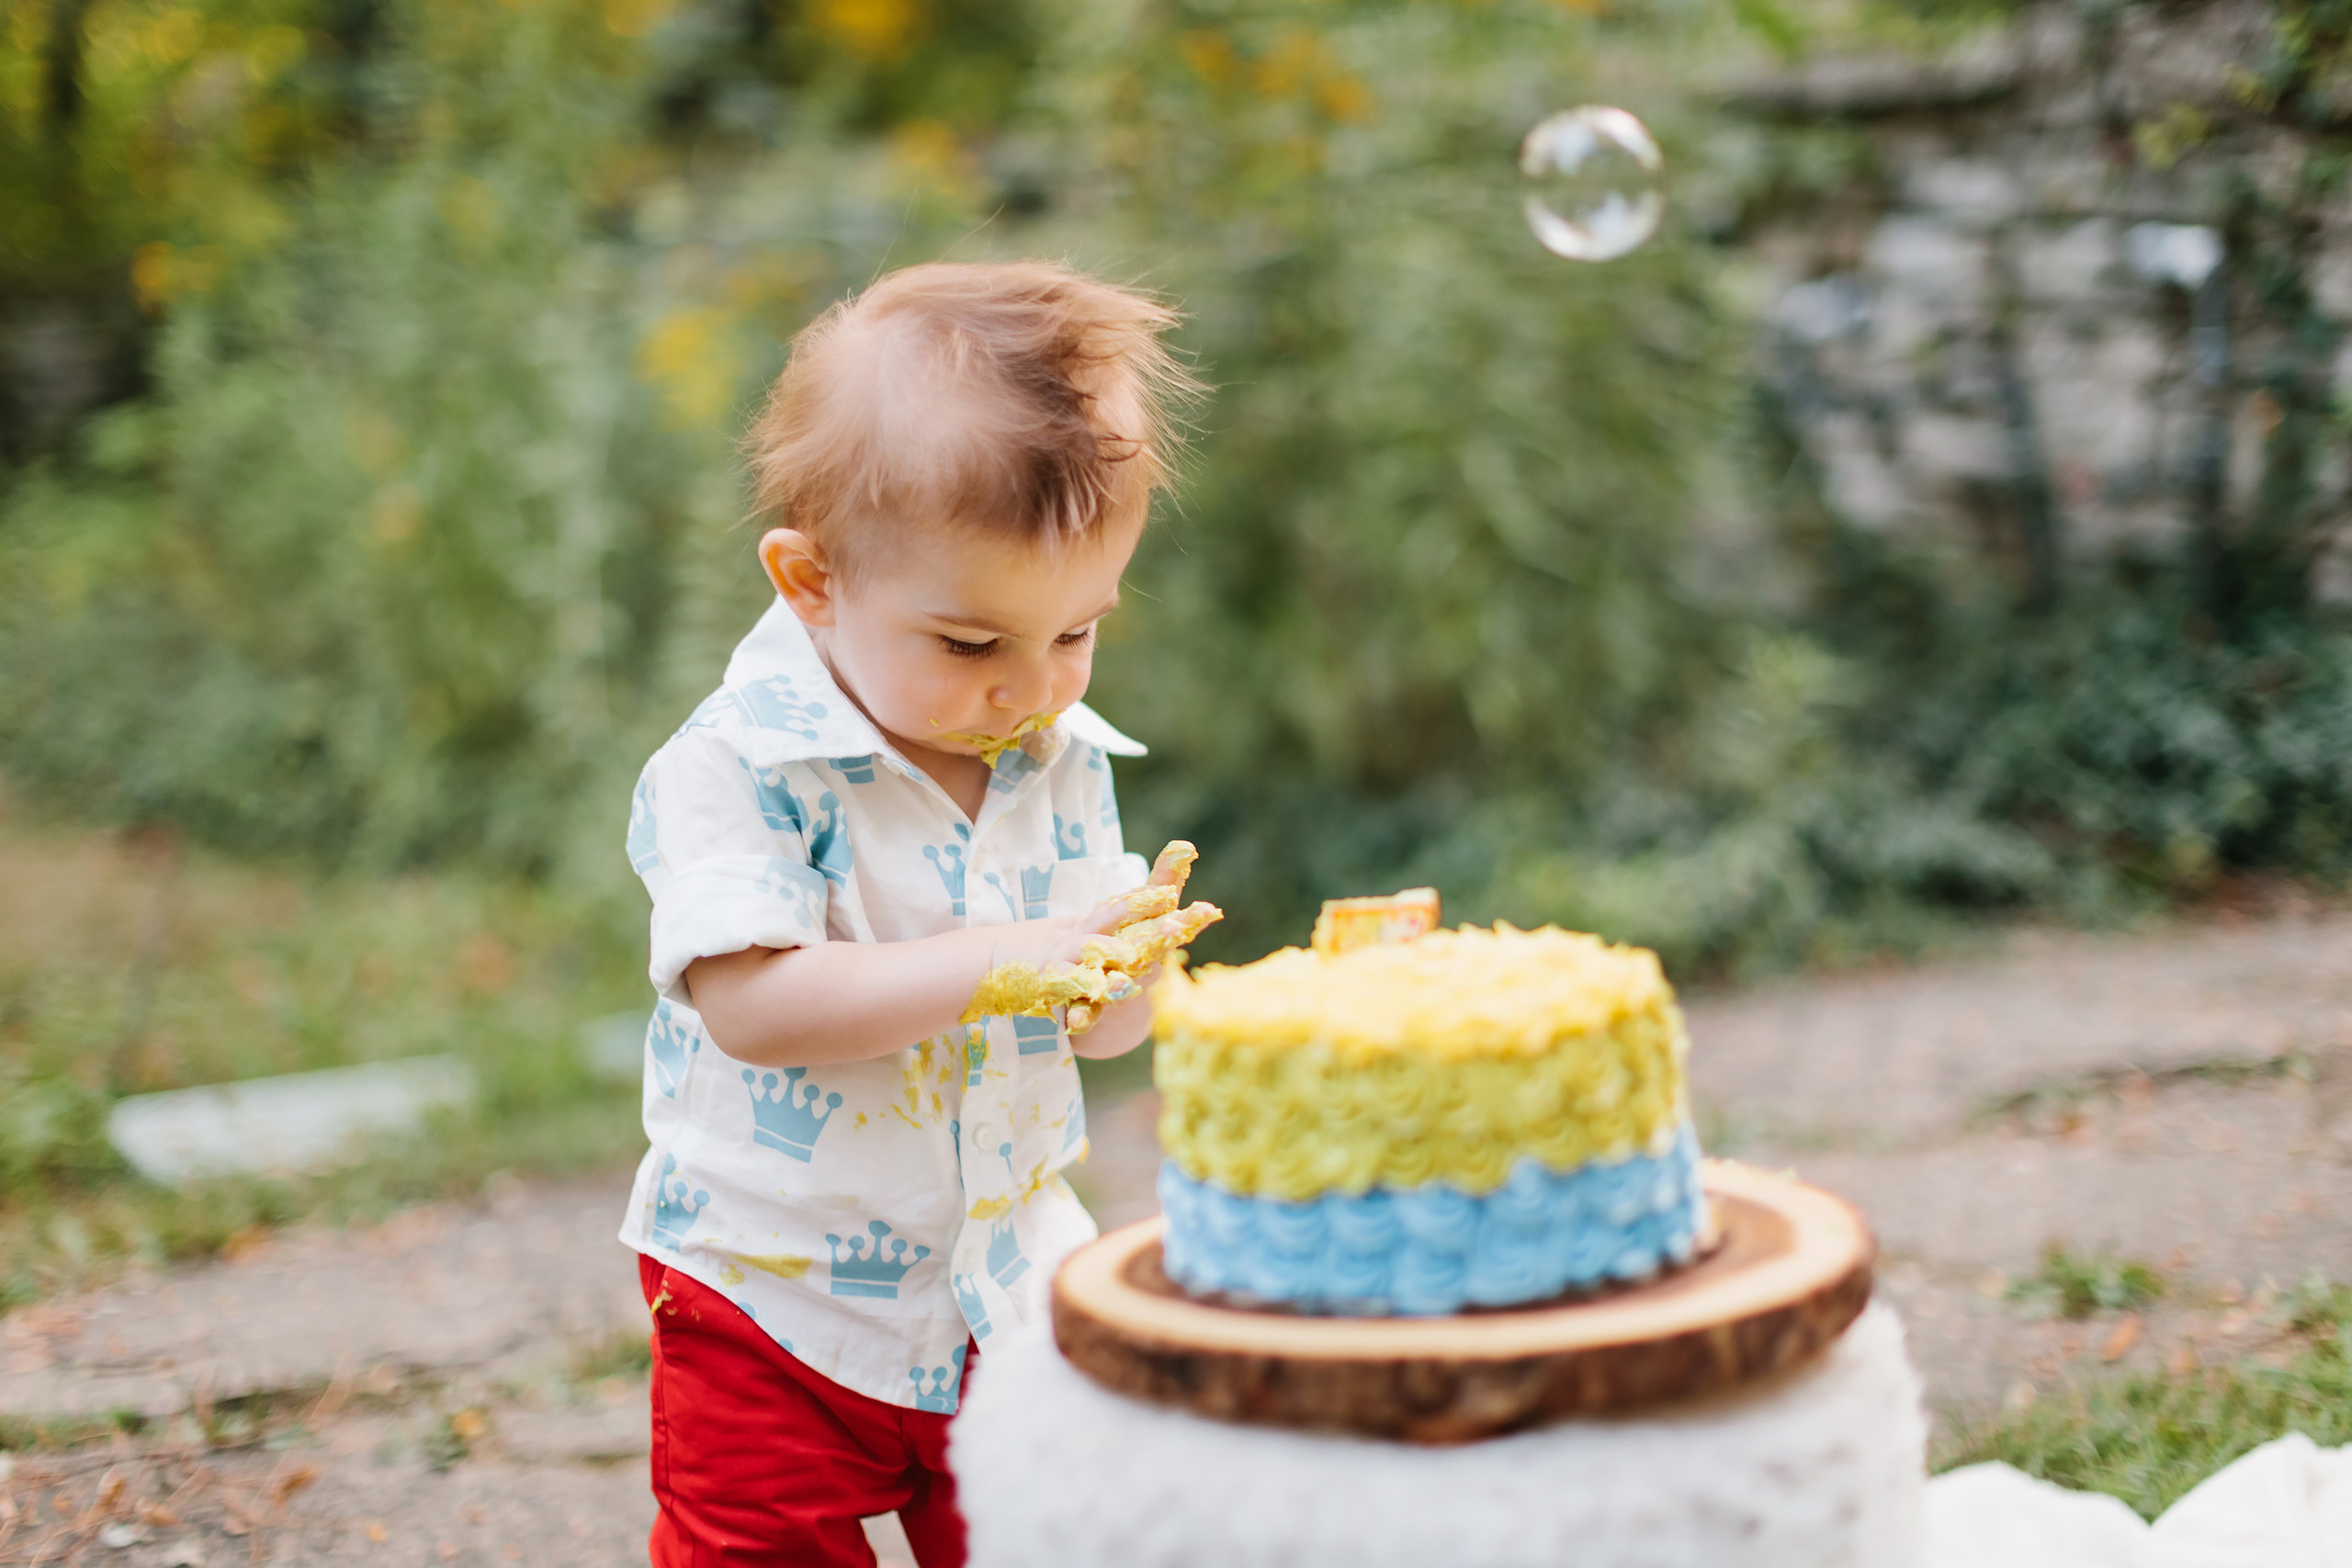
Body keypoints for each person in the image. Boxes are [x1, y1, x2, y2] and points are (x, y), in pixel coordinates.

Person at [618, 260, 1201, 1567]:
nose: (1032, 689)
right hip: (773, 1299)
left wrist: (1120, 981)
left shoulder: (1061, 756)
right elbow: (754, 1005)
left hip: (1005, 1286)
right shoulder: (738, 767)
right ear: (812, 580)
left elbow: (1092, 1037)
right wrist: (1000, 962)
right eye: (970, 644)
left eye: (1078, 632)